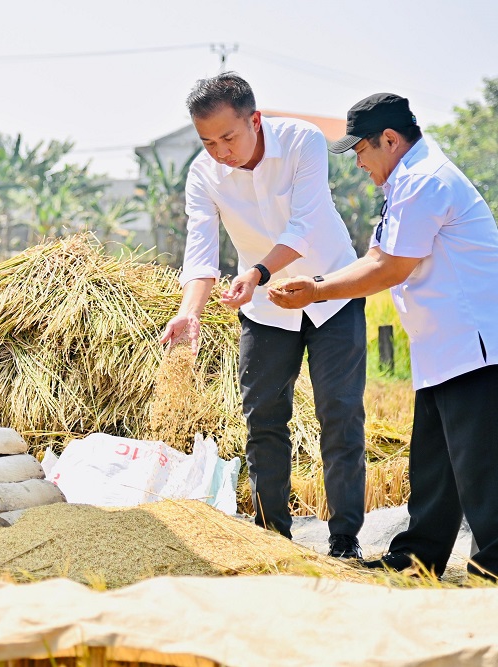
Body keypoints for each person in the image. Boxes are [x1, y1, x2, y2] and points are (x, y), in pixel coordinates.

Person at [269, 93, 498, 580]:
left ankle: (493, 569)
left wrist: (316, 291)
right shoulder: (405, 184)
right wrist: (318, 284)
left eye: (361, 150)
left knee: (481, 467)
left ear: (390, 140)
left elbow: (389, 268)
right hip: (444, 347)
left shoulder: (423, 181)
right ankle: (419, 558)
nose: (358, 162)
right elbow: (376, 256)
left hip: (474, 345)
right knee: (434, 464)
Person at [159, 73, 367, 559]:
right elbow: (201, 254)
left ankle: (345, 543)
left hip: (330, 293)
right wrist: (189, 313)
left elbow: (306, 225)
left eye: (228, 137)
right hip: (266, 309)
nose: (219, 151)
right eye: (207, 141)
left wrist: (256, 272)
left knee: (340, 415)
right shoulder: (202, 174)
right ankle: (273, 540)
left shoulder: (302, 141)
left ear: (255, 119)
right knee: (264, 420)